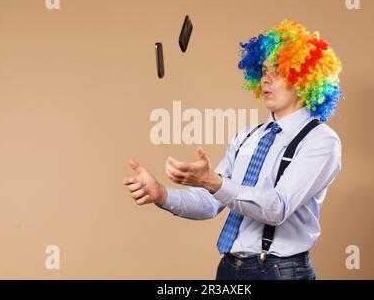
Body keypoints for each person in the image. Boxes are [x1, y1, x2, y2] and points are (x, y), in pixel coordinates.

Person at [123, 19, 344, 280]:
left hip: (280, 272)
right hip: (229, 269)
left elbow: (277, 208)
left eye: (279, 71)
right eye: (263, 71)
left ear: (304, 78)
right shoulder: (246, 137)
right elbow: (210, 202)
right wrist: (161, 194)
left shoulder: (321, 141)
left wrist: (213, 182)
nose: (266, 79)